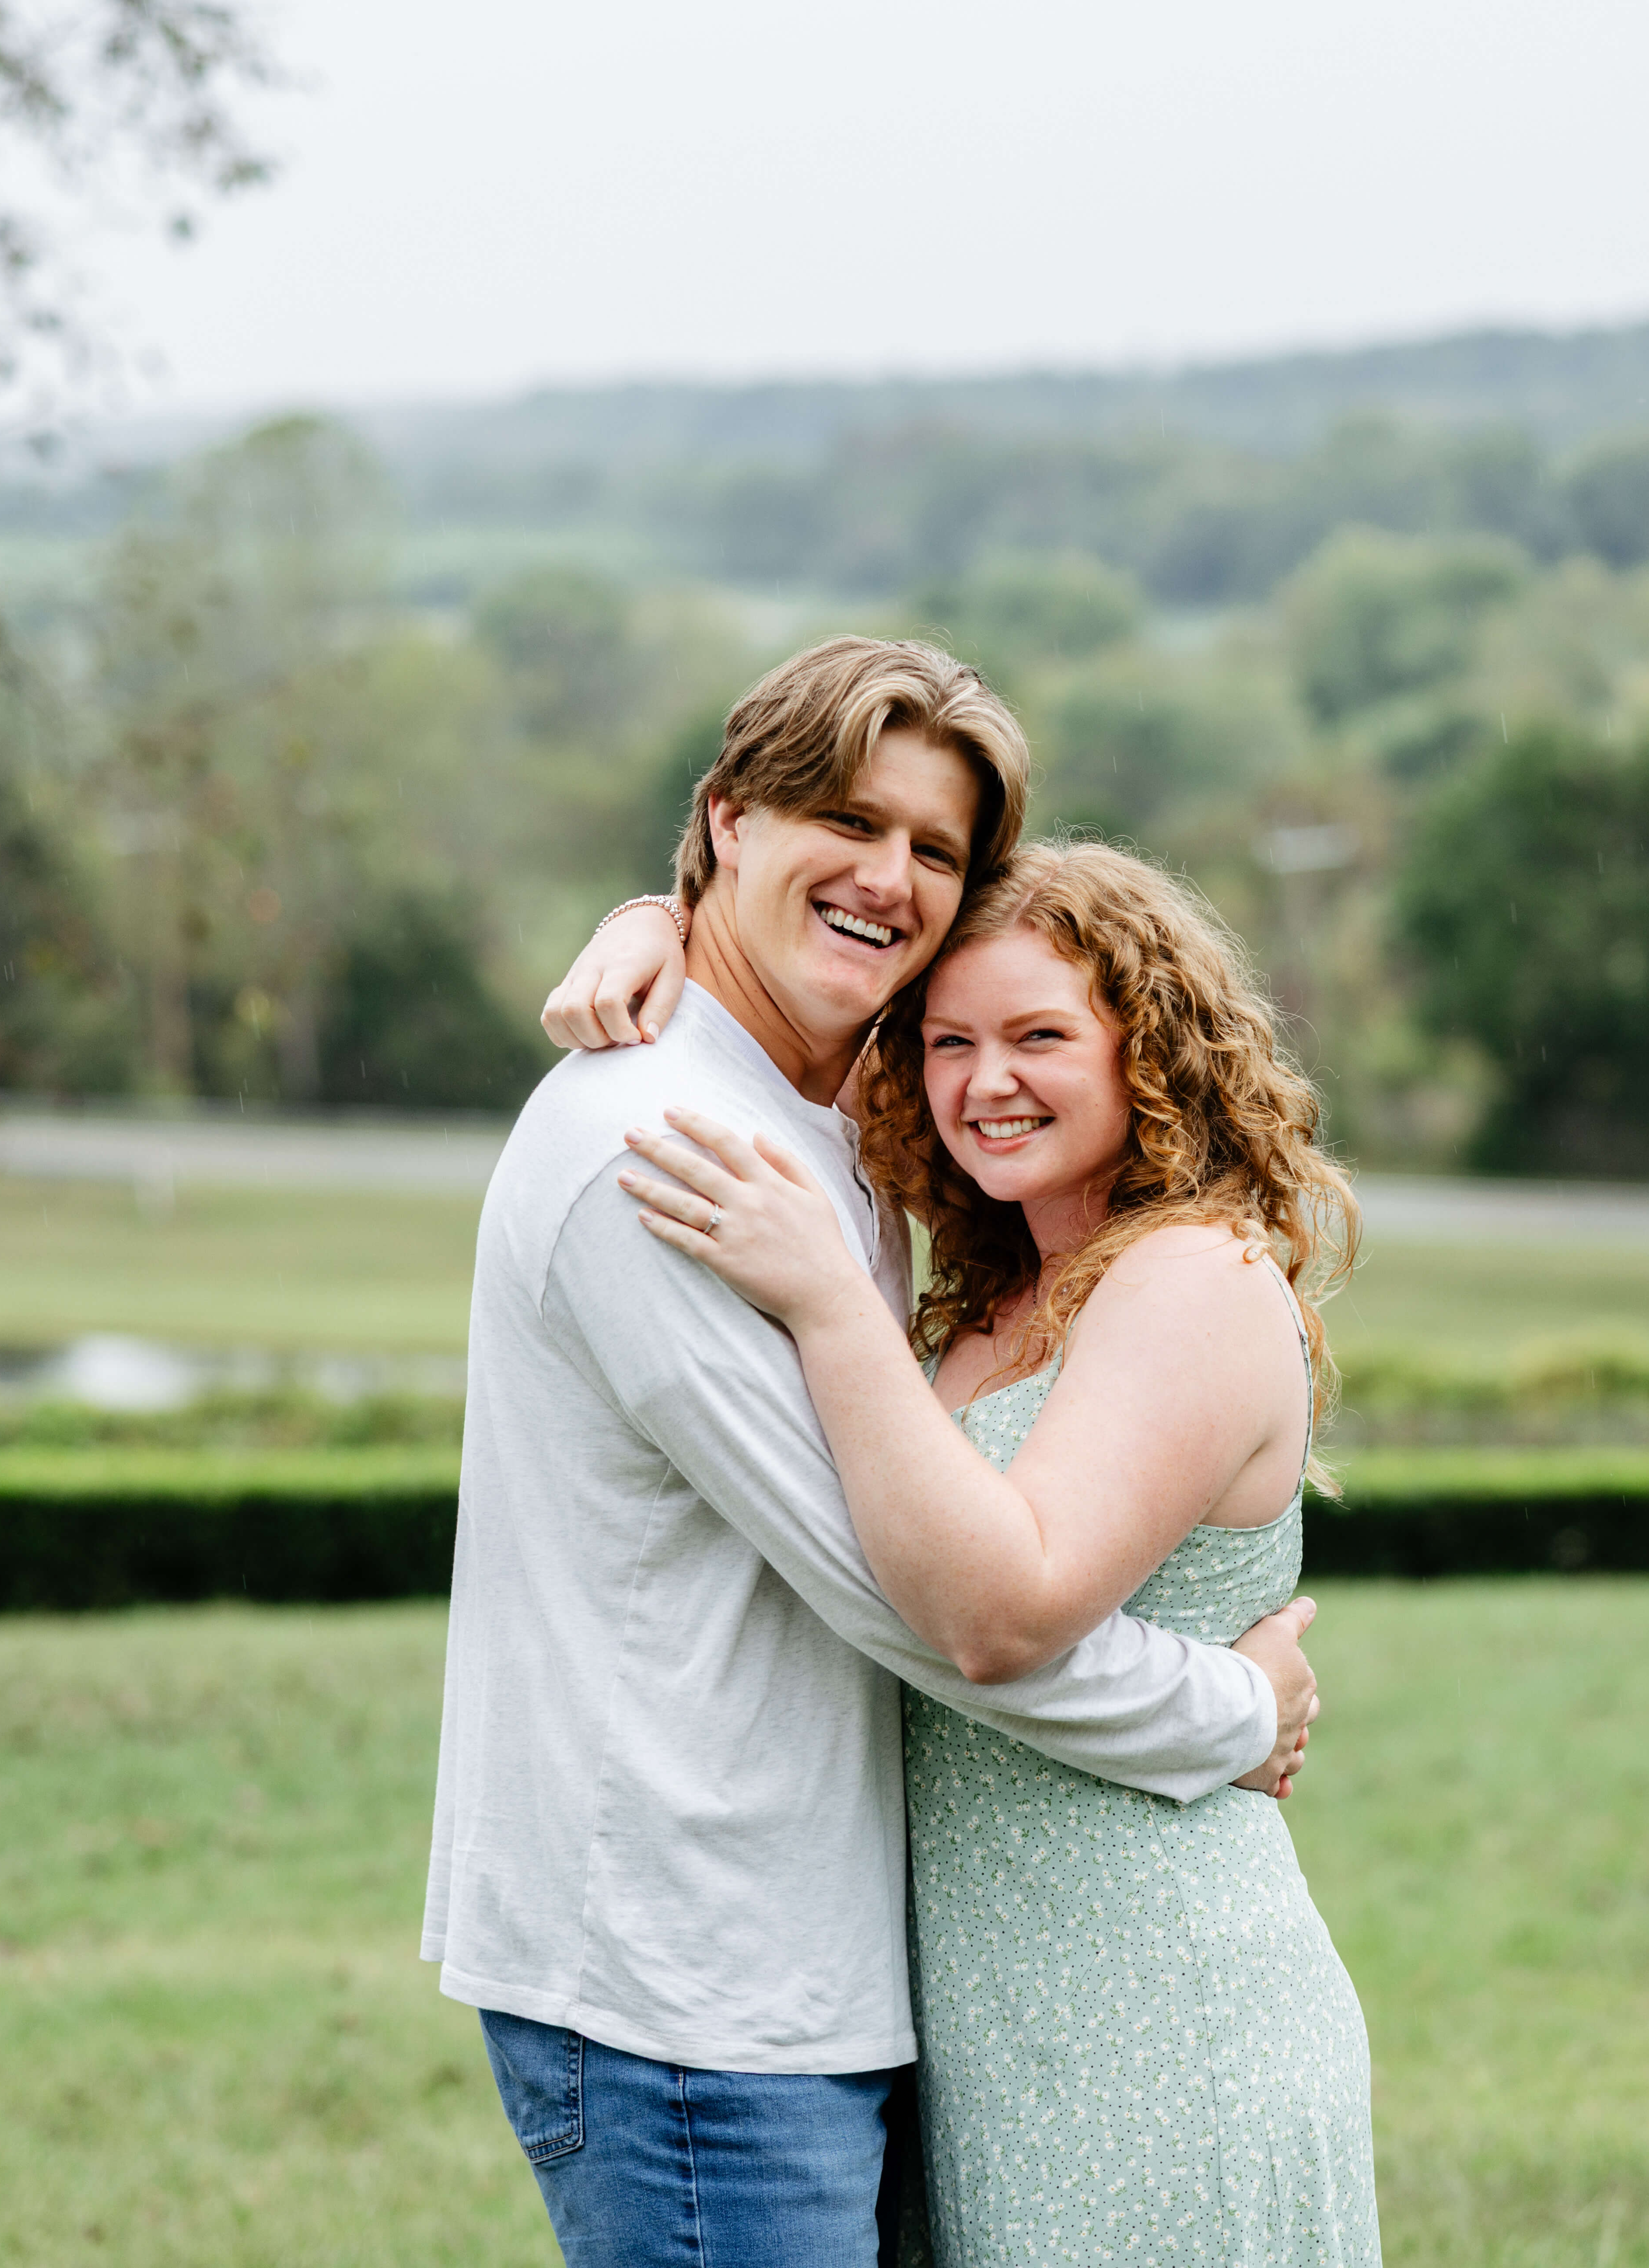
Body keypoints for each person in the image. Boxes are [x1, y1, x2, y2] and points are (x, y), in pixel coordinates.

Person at [425, 637, 1322, 2268]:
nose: (890, 879)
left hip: (858, 1984)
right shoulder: (665, 1149)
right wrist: (1233, 1709)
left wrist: (669, 921)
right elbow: (927, 1596)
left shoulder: (822, 1135)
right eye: (847, 819)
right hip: (691, 1993)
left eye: (935, 849)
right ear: (728, 819)